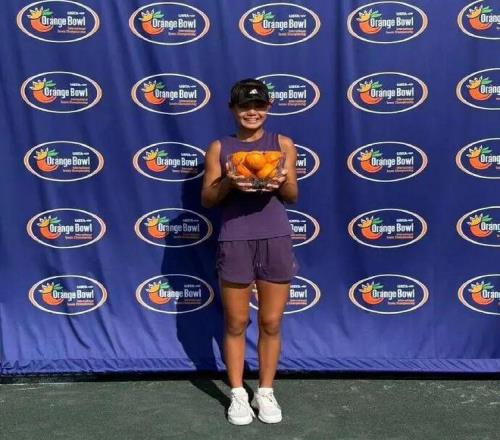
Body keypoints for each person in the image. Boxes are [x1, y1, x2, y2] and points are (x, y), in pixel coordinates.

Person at [201, 78, 299, 425]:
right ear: (233, 109)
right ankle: (238, 394)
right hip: (235, 239)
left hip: (275, 237)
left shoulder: (282, 144)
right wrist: (229, 181)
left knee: (271, 322)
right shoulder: (219, 147)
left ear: (268, 108)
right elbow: (207, 199)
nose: (252, 112)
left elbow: (292, 196)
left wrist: (279, 179)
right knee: (236, 321)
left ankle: (266, 391)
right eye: (245, 106)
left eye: (258, 105)